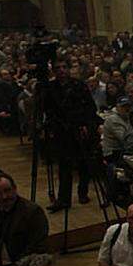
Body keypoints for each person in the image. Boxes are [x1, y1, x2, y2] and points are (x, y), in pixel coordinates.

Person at [43, 63, 101, 211]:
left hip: (80, 128)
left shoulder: (78, 85)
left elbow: (90, 107)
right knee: (64, 166)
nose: (62, 70)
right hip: (61, 132)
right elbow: (47, 109)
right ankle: (63, 199)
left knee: (83, 164)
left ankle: (83, 192)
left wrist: (87, 126)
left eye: (64, 67)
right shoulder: (50, 88)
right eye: (58, 68)